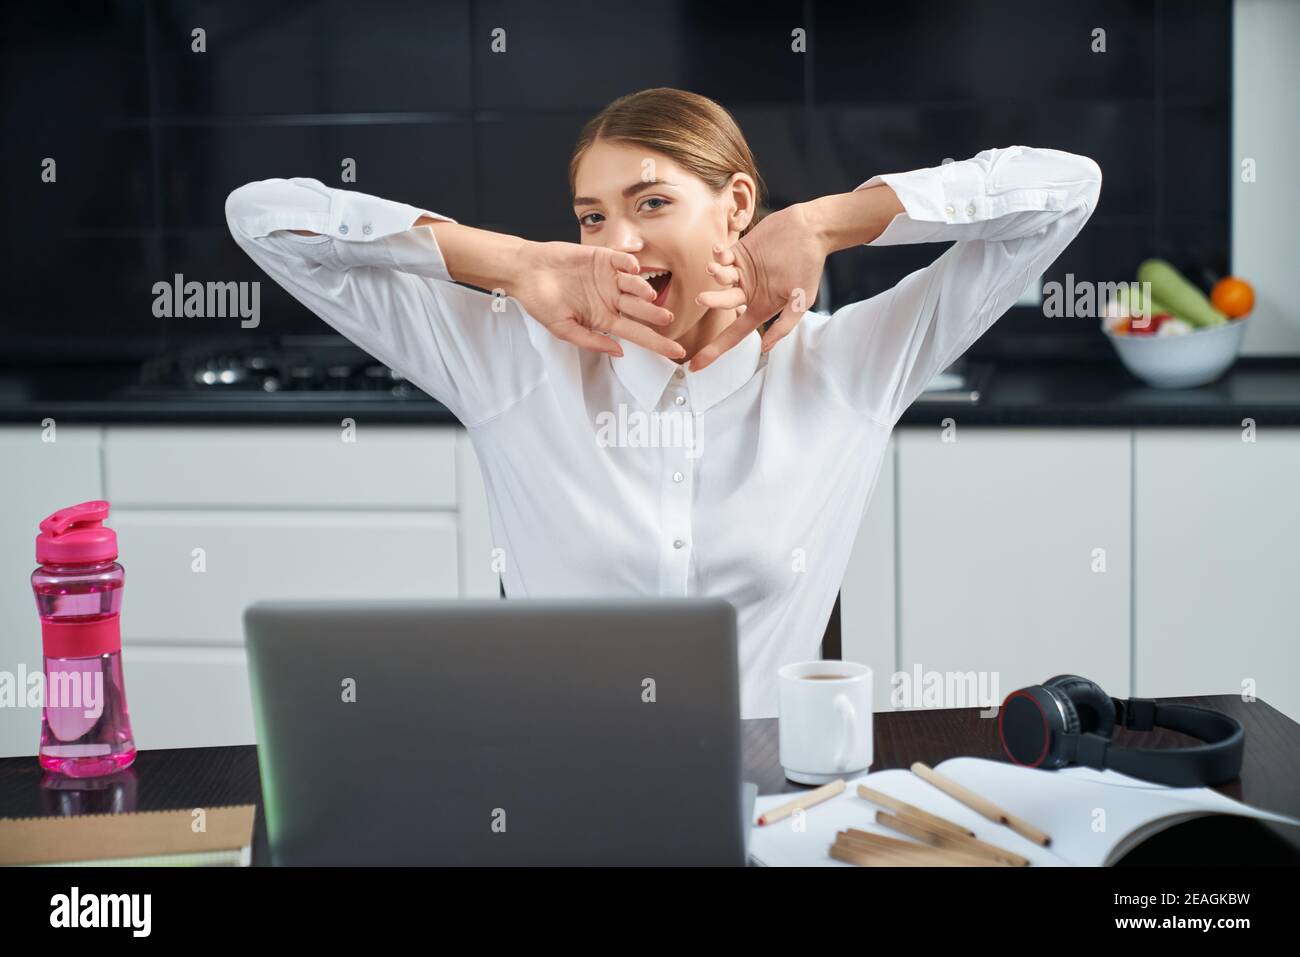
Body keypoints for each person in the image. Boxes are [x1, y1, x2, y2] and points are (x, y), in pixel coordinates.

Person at [226, 87, 1102, 719]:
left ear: (739, 208)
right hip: (555, 805)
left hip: (771, 809)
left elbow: (1065, 189)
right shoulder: (507, 359)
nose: (621, 241)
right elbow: (265, 218)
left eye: (651, 203)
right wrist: (513, 262)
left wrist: (829, 222)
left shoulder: (847, 366)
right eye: (593, 218)